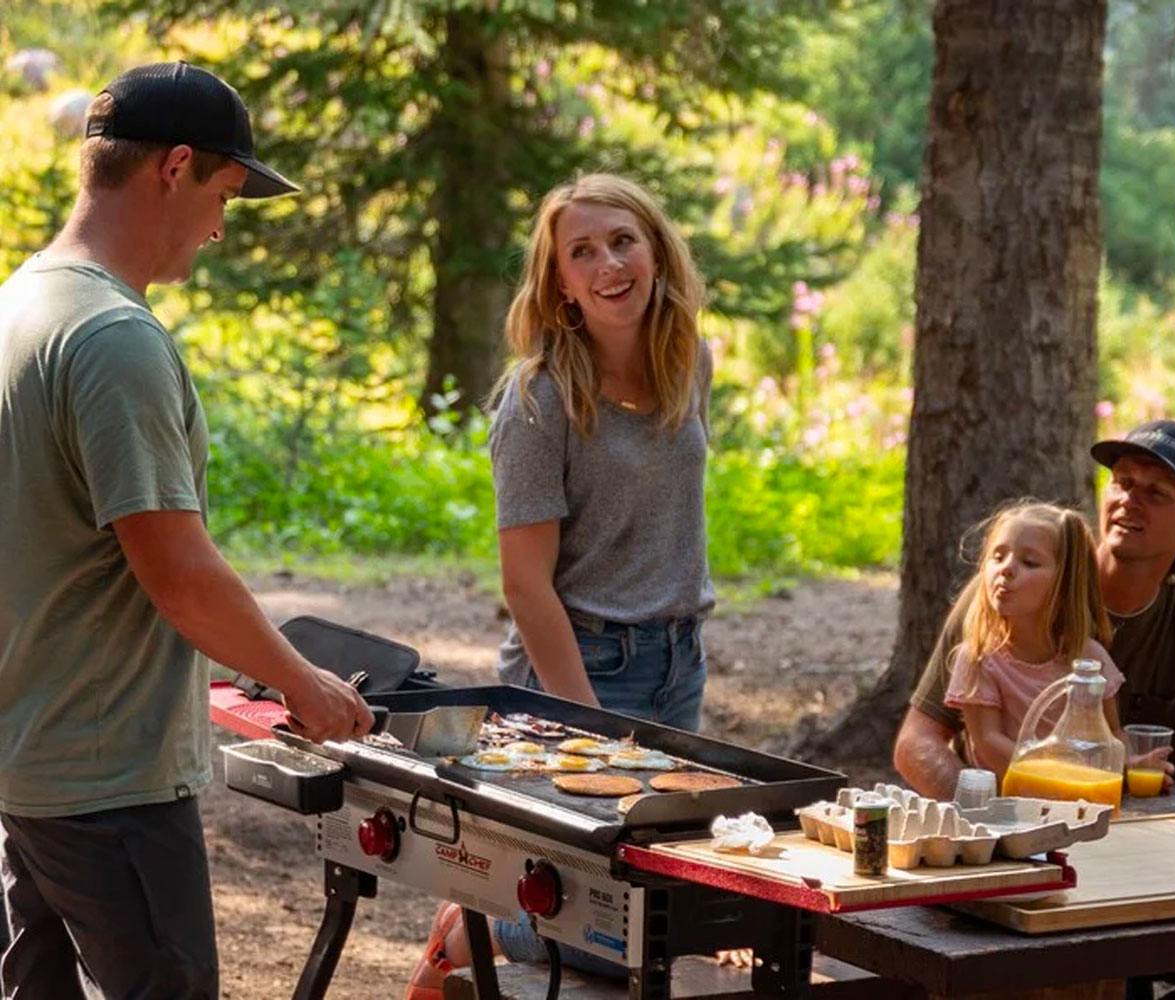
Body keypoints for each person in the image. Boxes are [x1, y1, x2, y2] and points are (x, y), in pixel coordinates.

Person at [0, 62, 374, 1000]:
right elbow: (177, 572)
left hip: (29, 759)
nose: (218, 226)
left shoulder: (22, 303)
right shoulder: (110, 336)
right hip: (107, 780)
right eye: (226, 193)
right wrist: (302, 684)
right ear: (174, 168)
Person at [405, 173, 714, 999]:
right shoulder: (538, 400)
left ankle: (486, 922)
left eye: (622, 241)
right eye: (583, 252)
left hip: (680, 663)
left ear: (656, 251)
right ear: (562, 285)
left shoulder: (690, 363)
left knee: (652, 902)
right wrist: (589, 721)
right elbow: (526, 586)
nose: (608, 263)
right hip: (582, 671)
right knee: (614, 932)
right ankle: (475, 932)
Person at [895, 419, 1175, 799]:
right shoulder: (1005, 594)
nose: (1129, 500)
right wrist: (991, 814)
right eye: (1122, 482)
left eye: (1155, 493)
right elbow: (916, 744)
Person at [942, 502, 1122, 777]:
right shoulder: (978, 657)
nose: (1006, 569)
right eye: (998, 557)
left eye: (1029, 562)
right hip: (1006, 801)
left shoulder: (1088, 658)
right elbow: (988, 741)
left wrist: (1130, 763)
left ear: (1064, 584)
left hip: (1079, 795)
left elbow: (1111, 734)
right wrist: (1055, 776)